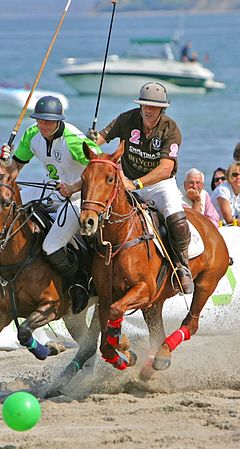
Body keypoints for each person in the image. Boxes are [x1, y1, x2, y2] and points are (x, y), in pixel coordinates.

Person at [86, 81, 194, 294]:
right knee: (92, 216)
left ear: (162, 108)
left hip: (159, 185)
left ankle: (182, 267)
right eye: (145, 105)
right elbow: (99, 140)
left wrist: (136, 183)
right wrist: (90, 139)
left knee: (178, 221)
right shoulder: (126, 119)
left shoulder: (170, 129)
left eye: (153, 107)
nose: (148, 110)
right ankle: (90, 273)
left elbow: (165, 168)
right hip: (127, 184)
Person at [0, 95, 102, 314]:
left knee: (51, 246)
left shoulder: (74, 139)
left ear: (58, 121)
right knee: (5, 209)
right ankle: (0, 273)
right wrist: (4, 161)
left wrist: (74, 187)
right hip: (50, 190)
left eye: (48, 121)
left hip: (78, 198)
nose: (43, 125)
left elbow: (103, 169)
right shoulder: (32, 134)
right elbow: (14, 170)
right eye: (40, 120)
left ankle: (79, 284)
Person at [211, 161, 240, 225]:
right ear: (229, 176)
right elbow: (229, 220)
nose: (238, 177)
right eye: (235, 174)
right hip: (216, 227)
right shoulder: (222, 190)